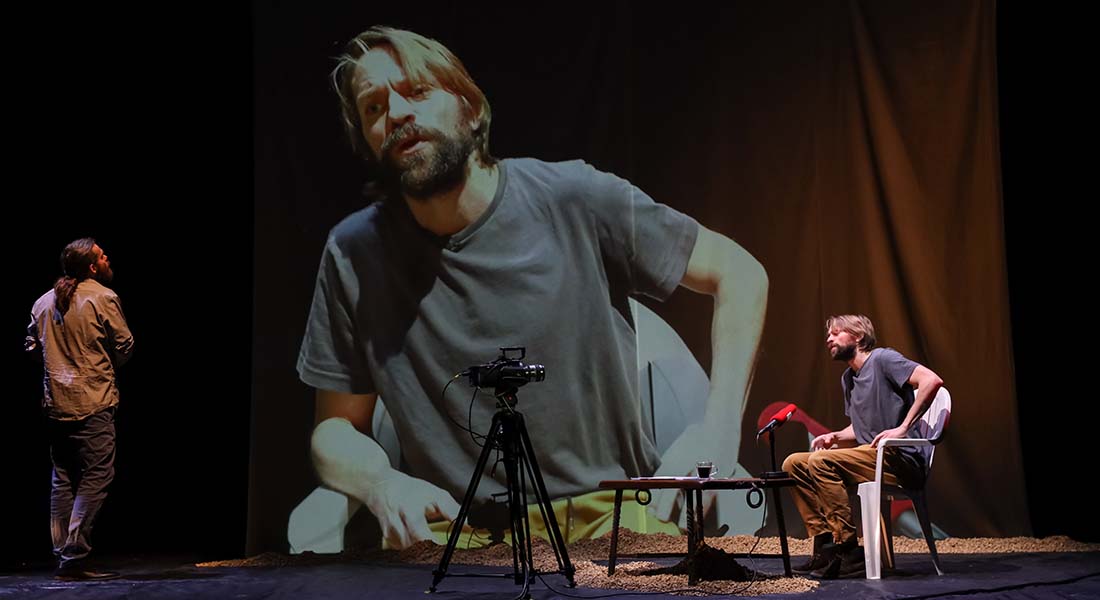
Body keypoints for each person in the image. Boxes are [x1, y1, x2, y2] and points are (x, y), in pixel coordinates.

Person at [296, 26, 769, 550]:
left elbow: (739, 272)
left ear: (470, 108)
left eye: (418, 91)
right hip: (457, 535)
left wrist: (719, 428)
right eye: (374, 108)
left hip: (610, 518)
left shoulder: (574, 198)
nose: (398, 113)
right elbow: (334, 430)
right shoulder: (353, 253)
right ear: (368, 142)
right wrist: (380, 483)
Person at [781, 314, 943, 579]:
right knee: (794, 463)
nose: (828, 339)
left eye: (835, 333)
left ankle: (849, 551)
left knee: (820, 462)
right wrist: (835, 436)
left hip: (900, 460)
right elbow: (859, 429)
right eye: (828, 335)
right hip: (870, 456)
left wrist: (902, 428)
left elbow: (931, 381)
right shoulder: (849, 378)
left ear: (857, 336)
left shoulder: (882, 359)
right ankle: (825, 547)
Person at [26, 238, 134, 580]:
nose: (107, 258)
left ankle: (63, 554)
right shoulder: (103, 297)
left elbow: (30, 346)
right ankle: (73, 554)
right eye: (101, 255)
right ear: (91, 267)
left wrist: (57, 365)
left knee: (64, 478)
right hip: (93, 401)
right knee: (97, 475)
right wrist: (102, 368)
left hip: (56, 403)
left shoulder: (43, 302)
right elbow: (124, 344)